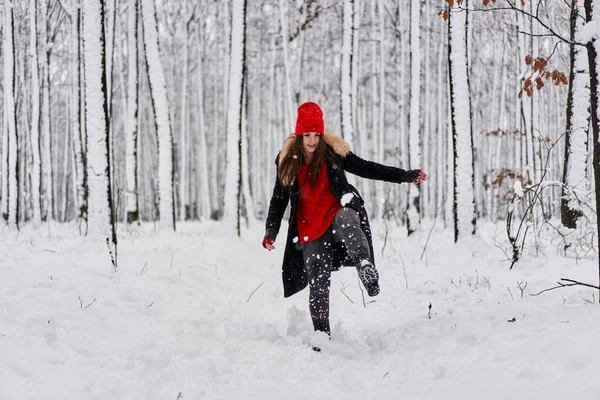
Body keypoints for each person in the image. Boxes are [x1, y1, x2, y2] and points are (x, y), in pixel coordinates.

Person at [262, 101, 427, 339]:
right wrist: (271, 231)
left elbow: (368, 169)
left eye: (316, 134)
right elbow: (278, 199)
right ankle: (322, 336)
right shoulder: (288, 161)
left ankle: (364, 265)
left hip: (336, 214)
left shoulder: (333, 153)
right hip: (310, 229)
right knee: (319, 284)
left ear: (321, 134)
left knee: (349, 217)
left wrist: (404, 176)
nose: (311, 140)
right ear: (299, 135)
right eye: (306, 135)